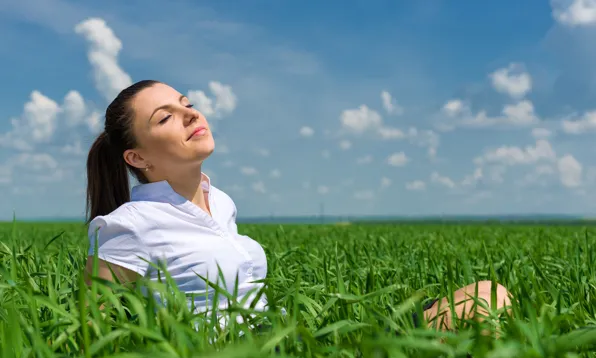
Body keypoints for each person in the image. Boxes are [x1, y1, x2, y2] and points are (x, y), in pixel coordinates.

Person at [84, 79, 513, 332]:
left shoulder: (222, 204)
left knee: (488, 296)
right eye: (165, 117)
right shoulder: (129, 225)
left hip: (290, 337)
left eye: (187, 105)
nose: (190, 115)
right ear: (136, 158)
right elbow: (92, 337)